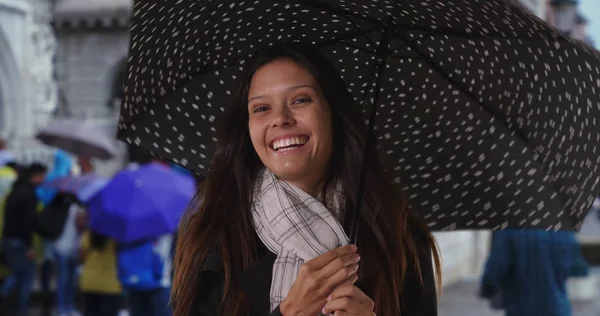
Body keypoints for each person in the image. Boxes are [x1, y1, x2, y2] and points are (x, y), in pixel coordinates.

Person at [171, 45, 441, 316]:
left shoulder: (397, 237)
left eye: (301, 100)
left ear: (333, 114)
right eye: (262, 108)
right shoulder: (215, 236)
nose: (280, 119)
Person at [479, 229, 585, 316]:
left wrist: (487, 288)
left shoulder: (510, 230)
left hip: (521, 308)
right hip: (558, 308)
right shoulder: (565, 232)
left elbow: (496, 267)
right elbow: (579, 269)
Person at [0, 162, 48, 316]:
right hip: (21, 241)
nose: (43, 179)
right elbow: (28, 222)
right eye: (42, 176)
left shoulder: (14, 191)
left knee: (16, 273)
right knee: (26, 276)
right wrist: (30, 246)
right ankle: (21, 310)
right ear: (35, 176)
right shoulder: (30, 195)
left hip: (9, 239)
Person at [79, 231, 123, 316]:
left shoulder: (88, 235)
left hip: (90, 282)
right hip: (110, 285)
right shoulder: (115, 238)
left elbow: (82, 258)